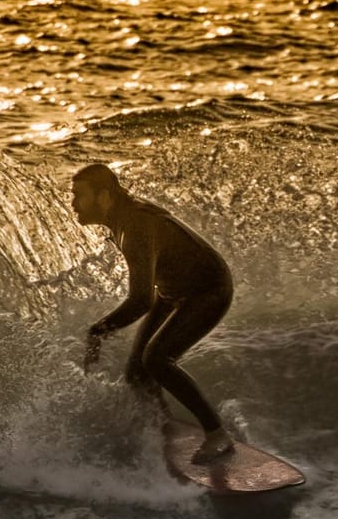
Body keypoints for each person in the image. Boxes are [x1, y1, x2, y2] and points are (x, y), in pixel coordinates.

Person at [71, 163, 235, 462]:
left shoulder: (135, 226)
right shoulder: (122, 217)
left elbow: (141, 300)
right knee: (137, 371)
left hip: (209, 289)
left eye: (79, 196)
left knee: (157, 359)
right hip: (173, 291)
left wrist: (99, 330)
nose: (72, 204)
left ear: (104, 197)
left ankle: (217, 435)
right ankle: (162, 426)